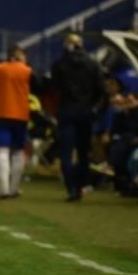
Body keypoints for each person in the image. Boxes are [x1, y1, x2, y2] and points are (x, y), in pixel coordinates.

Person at [50, 33, 105, 201]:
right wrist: (92, 107)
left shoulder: (59, 64)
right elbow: (101, 90)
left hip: (67, 111)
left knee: (66, 152)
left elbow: (55, 88)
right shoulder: (93, 63)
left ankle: (71, 188)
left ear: (66, 45)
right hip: (86, 112)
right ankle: (81, 186)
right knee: (83, 153)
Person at [0, 45, 36, 199]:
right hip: (20, 116)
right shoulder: (27, 71)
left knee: (2, 151)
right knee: (18, 152)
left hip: (1, 114)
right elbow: (40, 87)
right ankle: (14, 188)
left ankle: (4, 190)